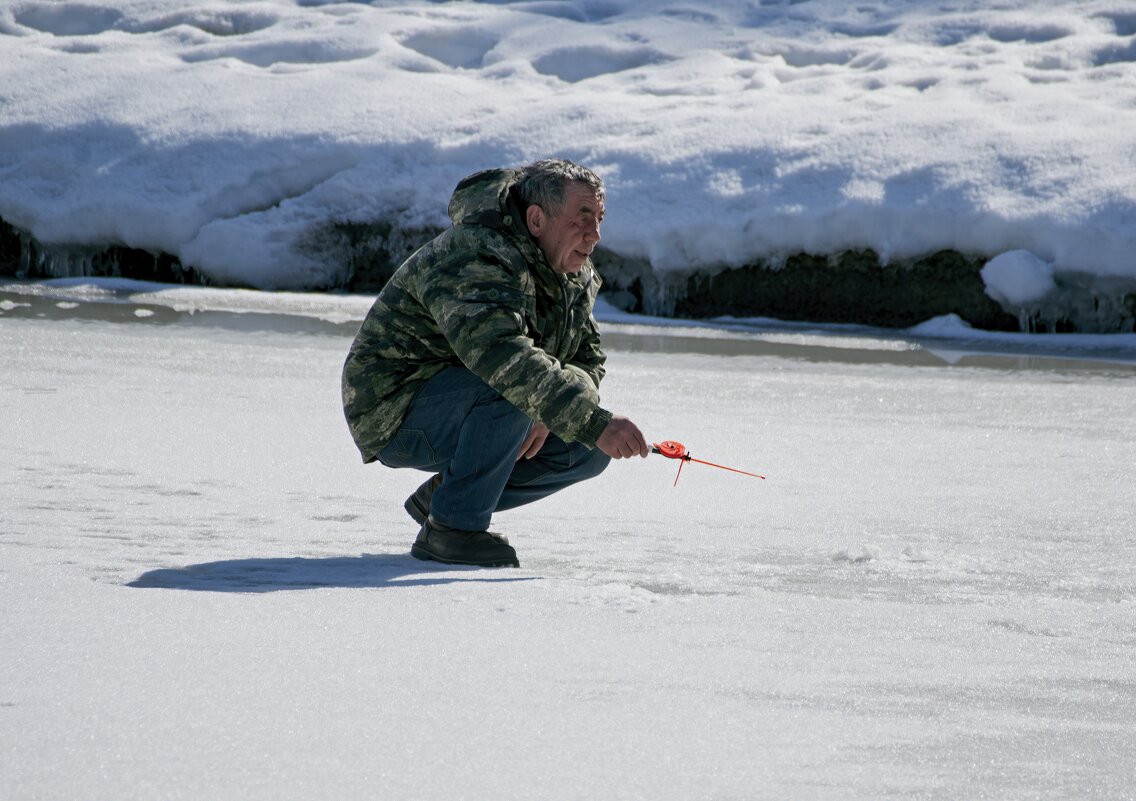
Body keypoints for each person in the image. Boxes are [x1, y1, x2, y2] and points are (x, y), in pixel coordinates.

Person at [342, 159, 648, 568]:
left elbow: (586, 361)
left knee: (587, 450)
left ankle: (445, 497)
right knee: (527, 396)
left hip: (476, 404)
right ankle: (453, 528)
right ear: (537, 219)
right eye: (583, 217)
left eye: (600, 218)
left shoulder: (574, 273)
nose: (595, 234)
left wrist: (559, 415)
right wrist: (583, 417)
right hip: (394, 410)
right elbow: (500, 355)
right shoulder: (477, 252)